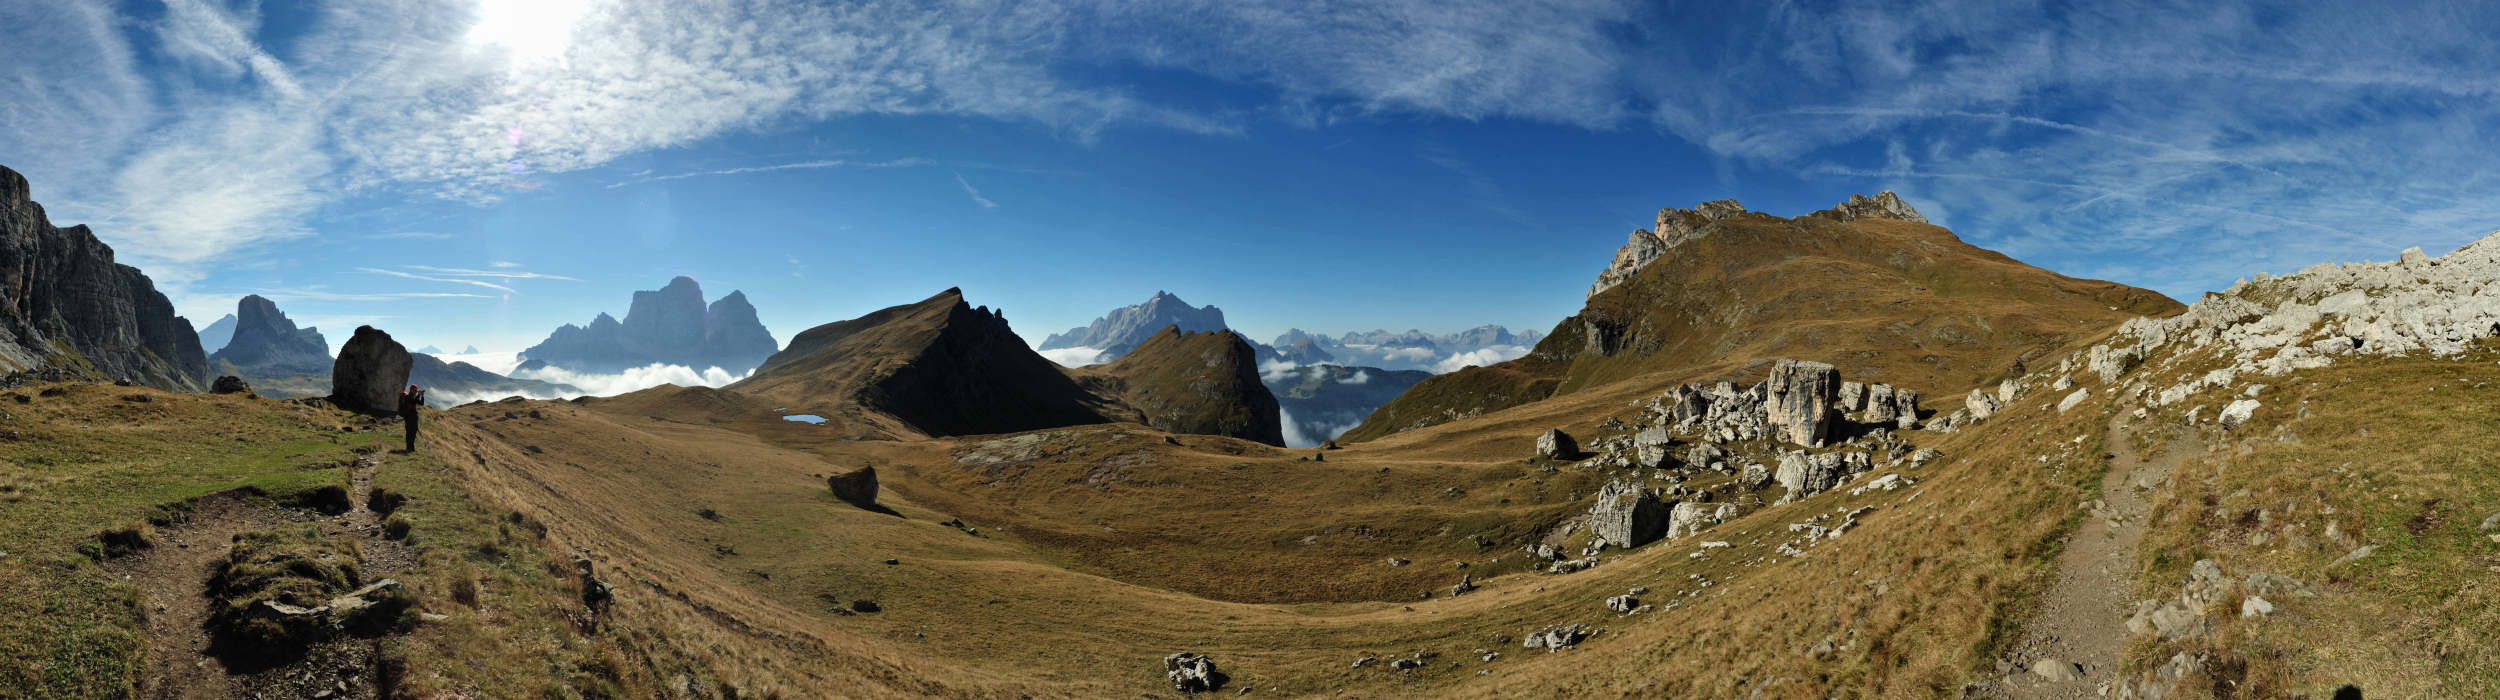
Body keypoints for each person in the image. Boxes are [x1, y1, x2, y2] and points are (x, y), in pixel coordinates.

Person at [398, 384, 425, 452]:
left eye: (416, 391)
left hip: (414, 418)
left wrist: (422, 396)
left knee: (413, 432)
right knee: (409, 432)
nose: (416, 392)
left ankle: (411, 448)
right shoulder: (408, 397)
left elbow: (421, 403)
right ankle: (408, 448)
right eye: (415, 390)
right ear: (411, 390)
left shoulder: (413, 397)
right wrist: (418, 395)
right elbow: (413, 402)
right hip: (409, 417)